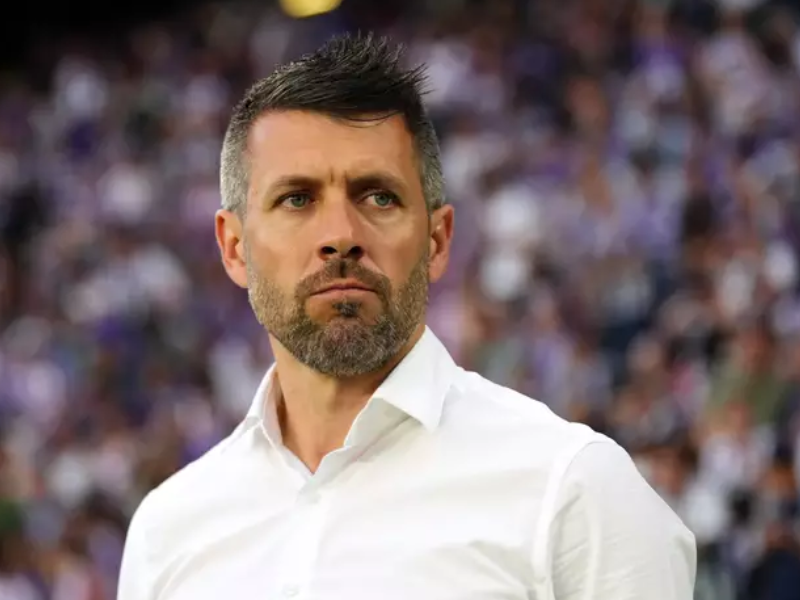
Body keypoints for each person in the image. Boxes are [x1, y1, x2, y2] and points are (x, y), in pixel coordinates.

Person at [117, 33, 697, 600]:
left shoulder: (573, 492)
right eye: (297, 199)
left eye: (378, 197)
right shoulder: (166, 534)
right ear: (235, 247)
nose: (340, 236)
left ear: (438, 240)